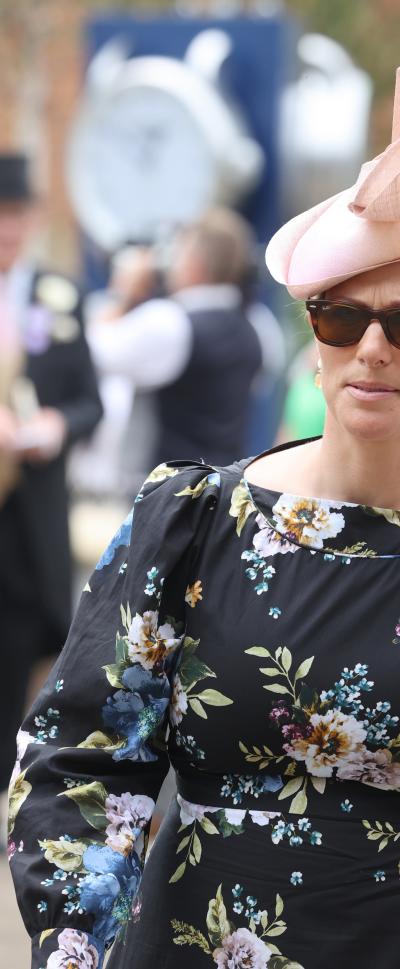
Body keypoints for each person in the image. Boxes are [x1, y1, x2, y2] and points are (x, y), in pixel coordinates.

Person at [9, 20, 400, 969]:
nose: (370, 347)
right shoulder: (194, 522)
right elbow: (83, 763)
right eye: (342, 315)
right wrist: (76, 947)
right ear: (314, 331)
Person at [0, 152, 103, 797]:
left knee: (17, 648)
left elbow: (90, 401)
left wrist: (53, 428)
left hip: (25, 511)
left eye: (15, 216)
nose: (7, 231)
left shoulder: (56, 298)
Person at [87, 208, 264, 470]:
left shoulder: (170, 322)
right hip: (226, 488)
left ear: (196, 264)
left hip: (169, 492)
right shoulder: (258, 325)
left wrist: (122, 292)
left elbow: (92, 350)